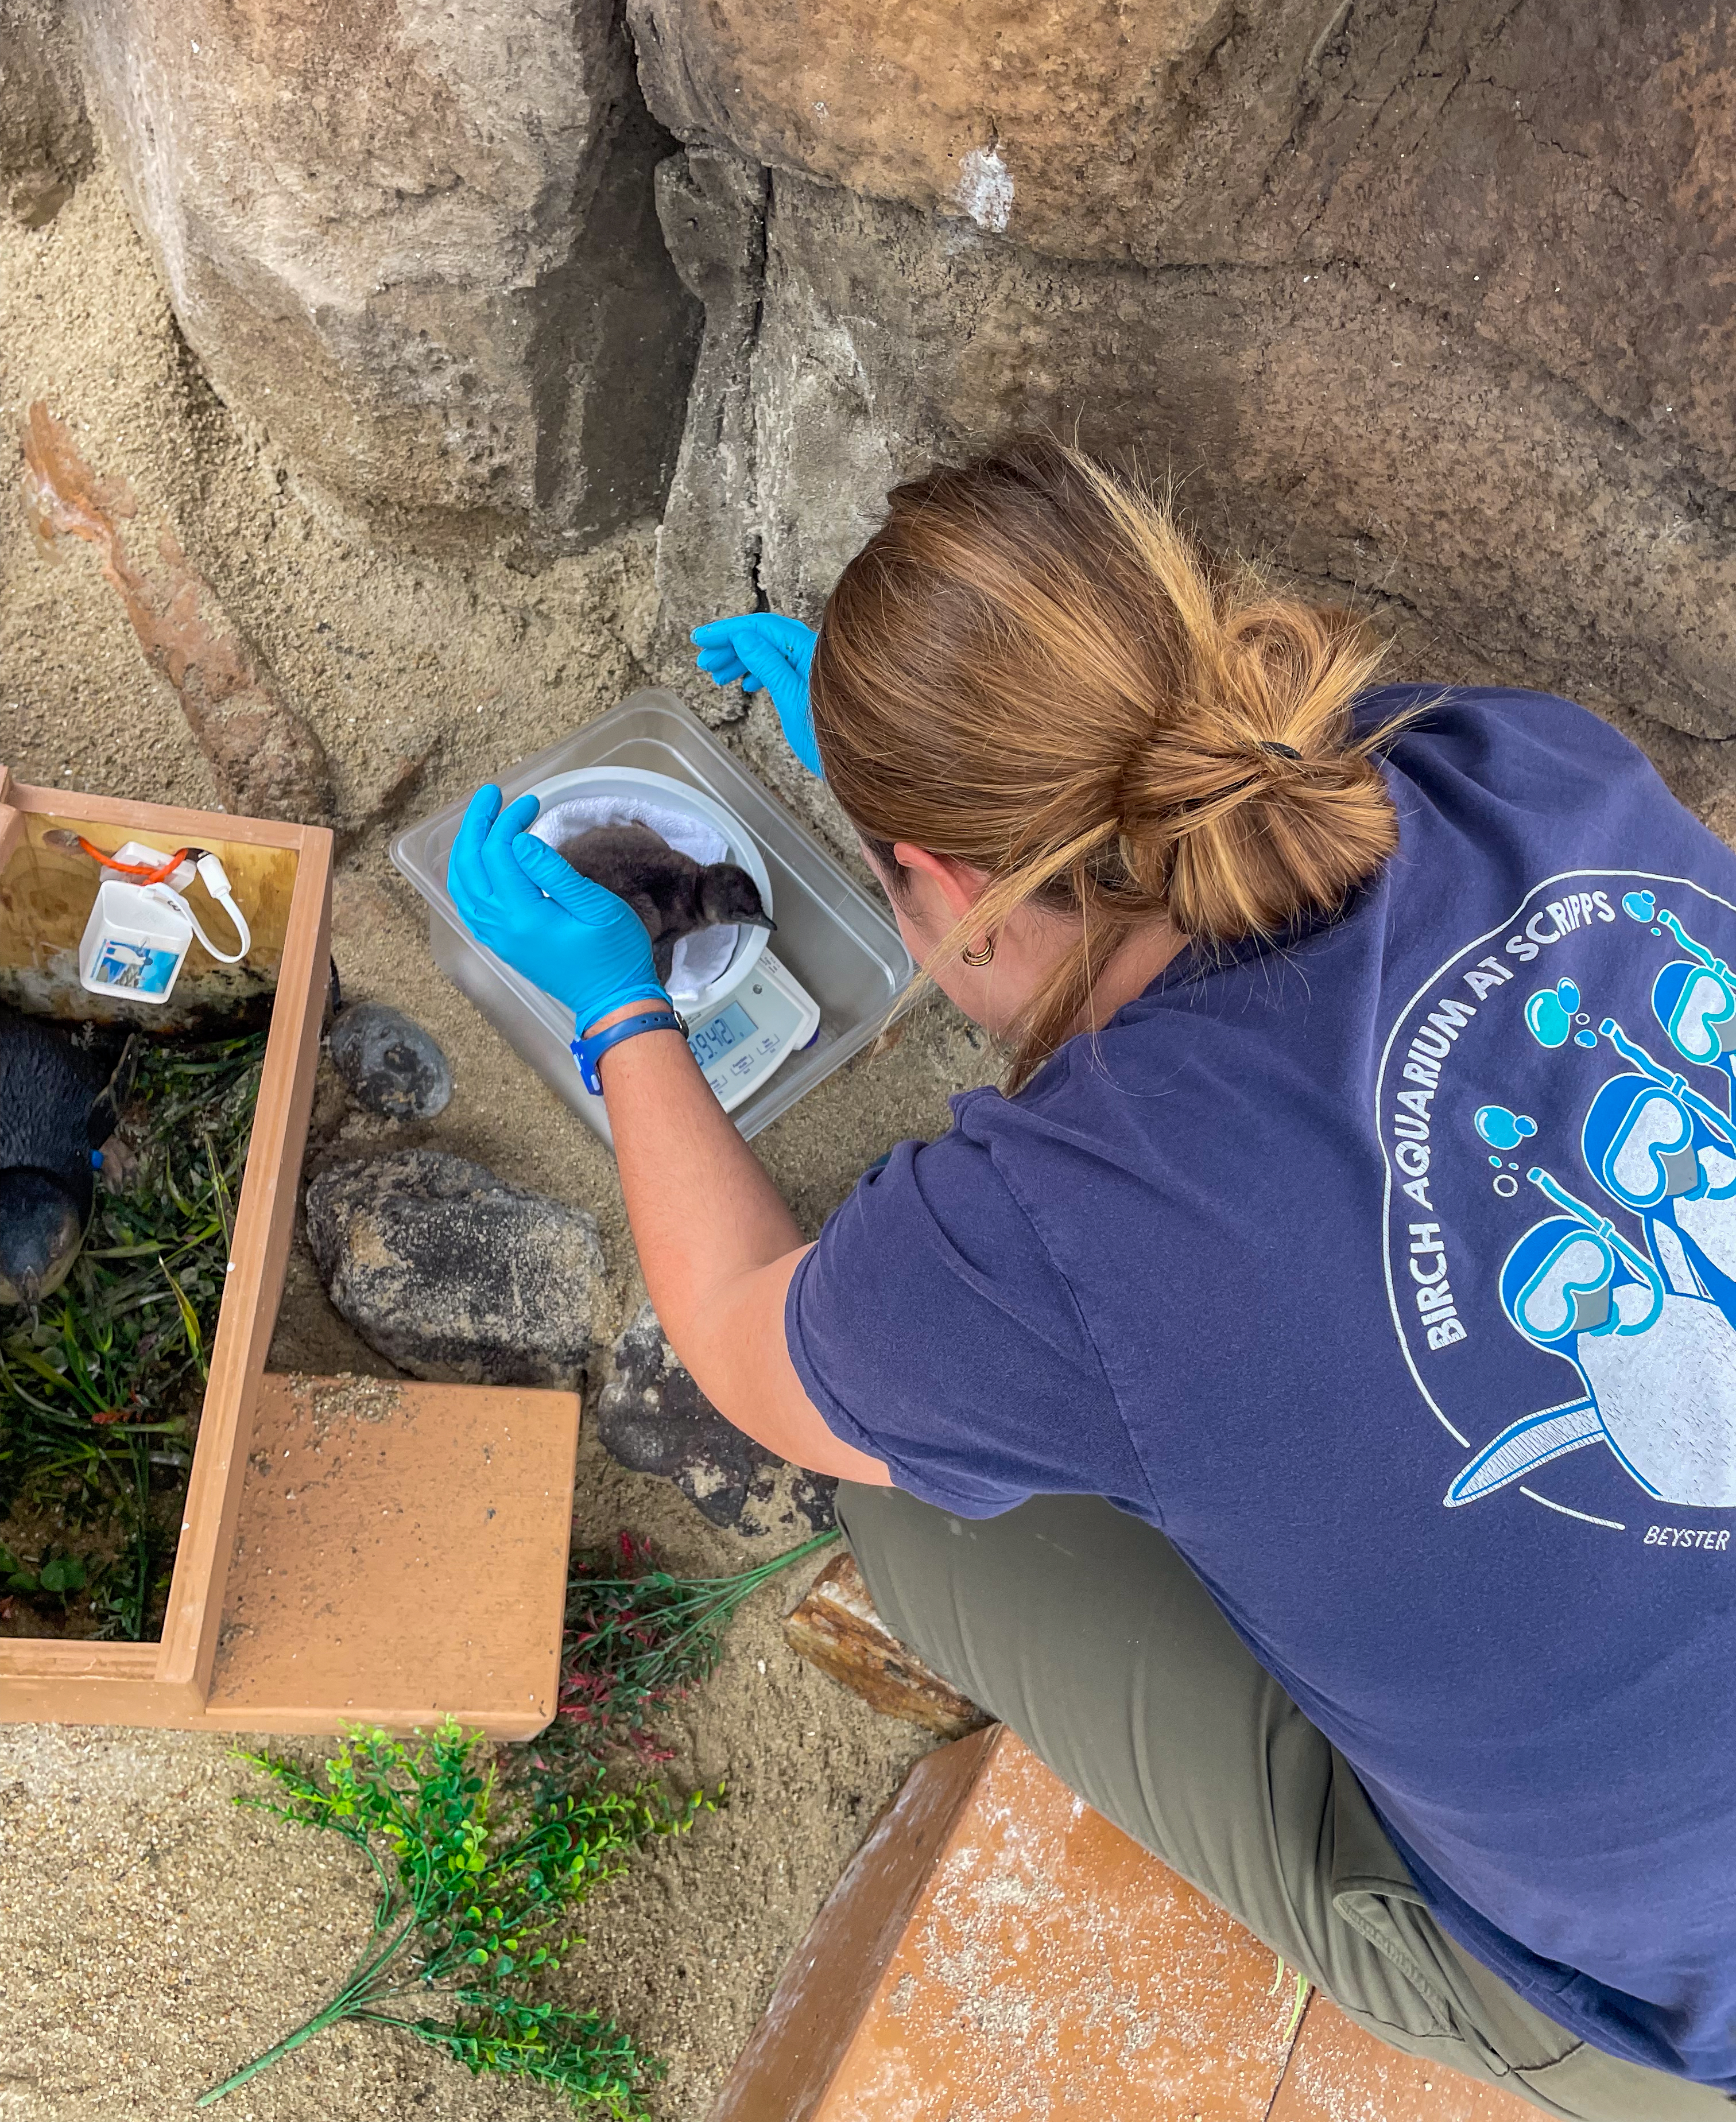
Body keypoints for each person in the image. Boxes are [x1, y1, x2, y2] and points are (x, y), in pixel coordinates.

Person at [448, 440, 1736, 2120]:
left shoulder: (1073, 1219)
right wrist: (927, 793)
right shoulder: (1518, 761)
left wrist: (618, 1010)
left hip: (1667, 1995)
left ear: (949, 890)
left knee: (910, 1496)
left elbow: (743, 1342)